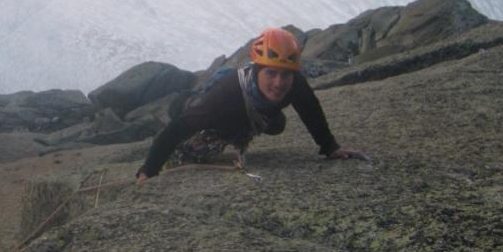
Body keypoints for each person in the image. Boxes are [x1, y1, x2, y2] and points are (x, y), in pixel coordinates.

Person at [136, 27, 364, 182]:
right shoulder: (227, 94)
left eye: (286, 75)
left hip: (247, 115)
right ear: (256, 72)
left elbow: (310, 110)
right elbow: (177, 128)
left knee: (276, 125)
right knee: (194, 150)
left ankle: (243, 128)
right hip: (214, 115)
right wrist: (149, 170)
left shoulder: (295, 82)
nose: (279, 83)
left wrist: (330, 147)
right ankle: (200, 111)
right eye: (271, 73)